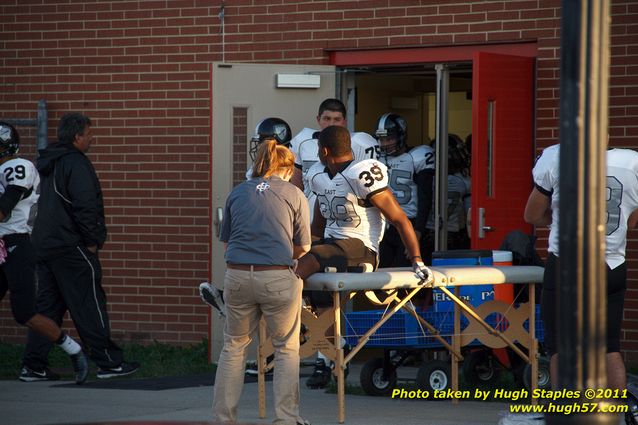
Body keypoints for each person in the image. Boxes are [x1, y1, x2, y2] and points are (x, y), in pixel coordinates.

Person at [296, 125, 432, 389]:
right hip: (331, 248)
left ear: (324, 151)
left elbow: (399, 218)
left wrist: (417, 260)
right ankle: (339, 351)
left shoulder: (361, 174)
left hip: (360, 249)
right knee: (322, 307)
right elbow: (316, 227)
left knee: (309, 261)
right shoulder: (319, 176)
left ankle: (272, 307)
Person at [21, 113, 139, 379]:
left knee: (47, 307)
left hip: (42, 244)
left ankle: (33, 365)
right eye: (89, 133)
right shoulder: (76, 163)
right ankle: (108, 363)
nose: (92, 138)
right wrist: (92, 240)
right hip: (71, 245)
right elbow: (86, 205)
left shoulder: (45, 163)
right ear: (77, 136)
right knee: (89, 303)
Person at [524, 143, 638, 390]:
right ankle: (618, 412)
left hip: (568, 264)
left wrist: (557, 222)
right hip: (613, 264)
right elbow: (631, 221)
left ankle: (567, 409)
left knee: (560, 346)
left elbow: (532, 215)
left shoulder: (556, 156)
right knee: (609, 346)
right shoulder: (631, 162)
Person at [213, 138, 311, 425]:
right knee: (286, 348)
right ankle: (286, 418)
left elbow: (227, 241)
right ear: (288, 168)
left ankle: (223, 419)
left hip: (238, 275)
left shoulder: (238, 192)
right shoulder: (294, 194)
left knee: (233, 346)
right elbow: (303, 246)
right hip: (277, 277)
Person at [0, 122, 88, 384]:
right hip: (3, 243)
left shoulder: (19, 167)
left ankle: (74, 350)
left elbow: (3, 210)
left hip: (16, 245)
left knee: (24, 312)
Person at [200, 117, 293, 317]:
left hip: (255, 261)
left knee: (235, 341)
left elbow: (227, 242)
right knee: (285, 343)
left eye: (262, 141)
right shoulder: (258, 178)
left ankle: (300, 309)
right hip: (276, 260)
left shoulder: (245, 187)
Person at [374, 113, 435, 268]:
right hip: (384, 225)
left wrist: (418, 231)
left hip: (409, 222)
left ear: (401, 136)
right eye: (382, 139)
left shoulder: (417, 157)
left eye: (389, 139)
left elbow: (426, 197)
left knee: (406, 272)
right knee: (379, 269)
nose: (385, 144)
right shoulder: (375, 158)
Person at [423, 135, 471, 263]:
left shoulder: (427, 178)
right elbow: (469, 214)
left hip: (428, 232)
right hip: (454, 234)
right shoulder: (465, 180)